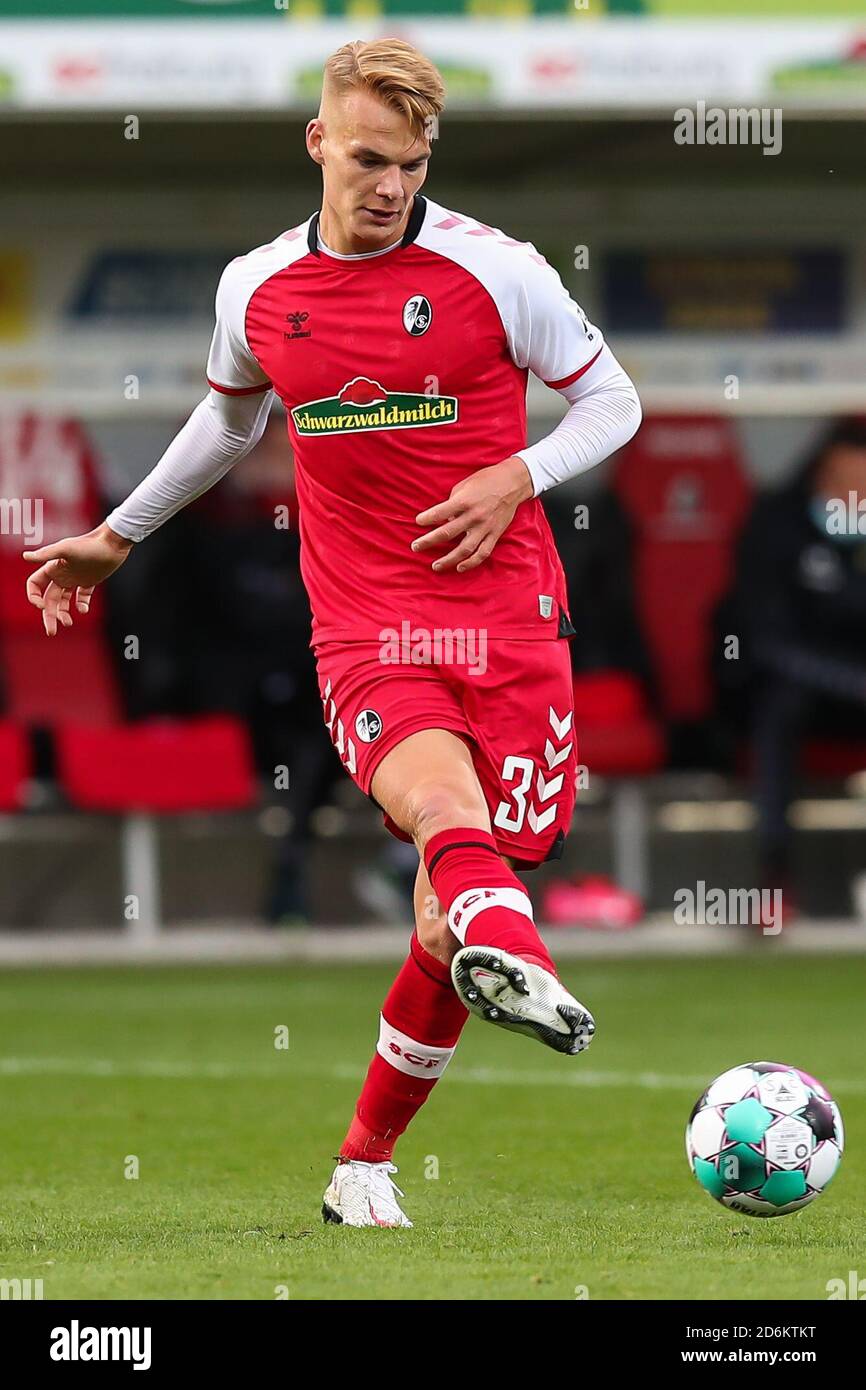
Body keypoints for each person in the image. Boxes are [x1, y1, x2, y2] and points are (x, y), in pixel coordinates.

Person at [23, 38, 641, 1228]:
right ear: (317, 141)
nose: (389, 185)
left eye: (410, 163)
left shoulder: (495, 271)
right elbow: (224, 417)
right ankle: (533, 970)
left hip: (512, 624)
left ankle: (362, 1163)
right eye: (366, 157)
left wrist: (515, 473)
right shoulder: (257, 288)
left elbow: (611, 399)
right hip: (368, 628)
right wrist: (119, 533)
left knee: (450, 905)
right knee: (447, 821)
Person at [718, 417, 866, 901]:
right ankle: (775, 877)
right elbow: (763, 640)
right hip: (797, 689)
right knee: (780, 708)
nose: (853, 498)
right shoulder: (775, 524)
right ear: (821, 476)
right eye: (844, 484)